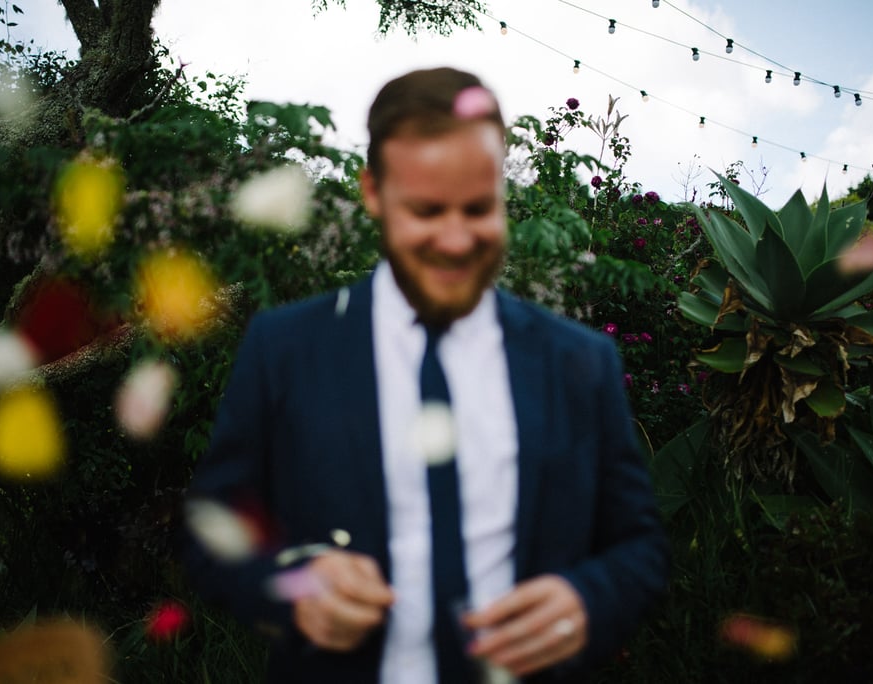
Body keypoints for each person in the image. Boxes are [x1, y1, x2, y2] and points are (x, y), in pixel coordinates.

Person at [182, 66, 668, 683]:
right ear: (373, 193)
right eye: (426, 210)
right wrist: (294, 583)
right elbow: (211, 530)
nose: (457, 239)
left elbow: (640, 546)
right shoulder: (284, 348)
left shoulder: (580, 362)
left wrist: (589, 600)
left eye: (478, 208)